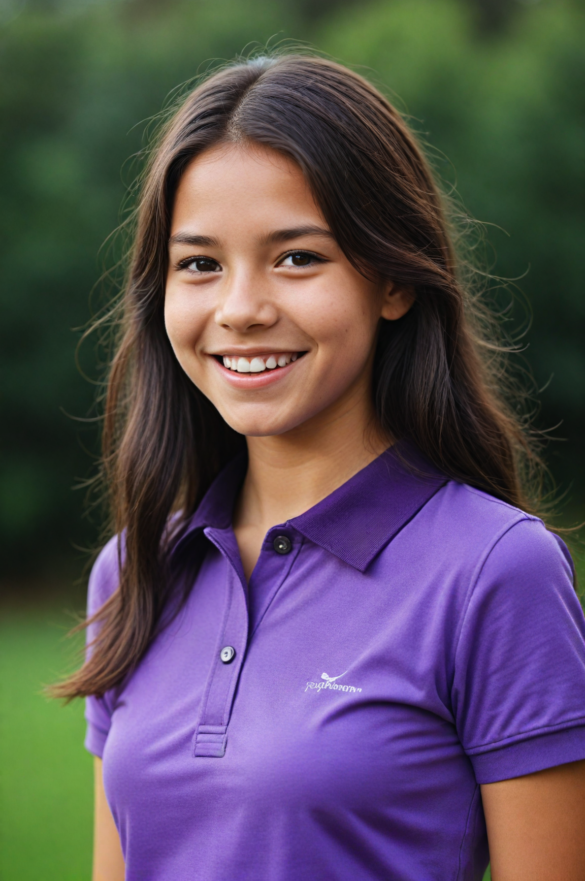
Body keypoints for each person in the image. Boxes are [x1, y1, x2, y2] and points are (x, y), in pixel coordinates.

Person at [57, 56, 585, 881]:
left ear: (392, 281)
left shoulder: (494, 571)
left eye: (297, 258)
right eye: (199, 264)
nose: (240, 309)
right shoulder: (133, 571)